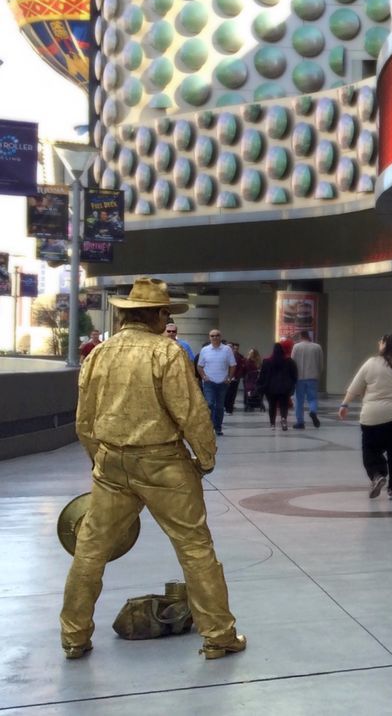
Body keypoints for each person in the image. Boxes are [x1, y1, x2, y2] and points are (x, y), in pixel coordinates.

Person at [61, 277, 245, 661]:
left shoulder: (99, 353)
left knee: (90, 551)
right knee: (195, 548)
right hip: (163, 465)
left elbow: (84, 420)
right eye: (166, 312)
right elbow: (191, 413)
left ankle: (74, 637)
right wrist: (205, 458)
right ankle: (219, 636)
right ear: (157, 314)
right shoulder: (167, 353)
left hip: (111, 464)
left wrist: (100, 458)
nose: (168, 318)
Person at [338, 333, 392, 500]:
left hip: (373, 416)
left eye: (381, 342)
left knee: (370, 449)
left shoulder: (371, 363)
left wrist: (345, 404)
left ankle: (377, 474)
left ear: (384, 345)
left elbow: (355, 386)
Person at [197, 330, 237, 436]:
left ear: (220, 337)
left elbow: (233, 365)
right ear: (209, 337)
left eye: (217, 335)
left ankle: (218, 427)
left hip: (222, 383)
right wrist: (204, 377)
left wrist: (229, 378)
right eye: (212, 336)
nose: (215, 337)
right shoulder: (205, 350)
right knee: (209, 403)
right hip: (209, 382)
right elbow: (199, 366)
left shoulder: (227, 349)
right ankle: (209, 427)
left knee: (219, 406)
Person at [257, 343, 297, 430]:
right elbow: (294, 374)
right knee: (283, 405)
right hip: (284, 388)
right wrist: (292, 384)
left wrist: (260, 385)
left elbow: (262, 375)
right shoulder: (289, 361)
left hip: (270, 388)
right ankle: (283, 418)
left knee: (272, 406)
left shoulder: (267, 361)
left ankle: (272, 424)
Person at [291, 331, 324, 429]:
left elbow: (292, 362)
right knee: (313, 398)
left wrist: (292, 375)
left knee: (299, 400)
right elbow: (321, 363)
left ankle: (300, 422)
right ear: (309, 336)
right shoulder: (317, 347)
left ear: (301, 336)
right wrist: (318, 373)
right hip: (313, 377)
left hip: (299, 378)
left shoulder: (296, 347)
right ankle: (313, 411)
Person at [223, 342, 247, 415]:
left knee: (230, 394)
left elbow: (239, 368)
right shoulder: (226, 356)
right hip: (226, 378)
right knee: (227, 394)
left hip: (233, 379)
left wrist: (235, 377)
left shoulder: (236, 356)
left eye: (230, 347)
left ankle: (229, 409)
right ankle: (227, 408)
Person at [241, 347, 262, 411]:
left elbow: (260, 369)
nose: (249, 353)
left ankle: (252, 404)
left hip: (255, 378)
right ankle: (249, 404)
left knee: (253, 391)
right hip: (248, 378)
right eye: (249, 352)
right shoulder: (246, 360)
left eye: (251, 352)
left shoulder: (257, 361)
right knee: (248, 391)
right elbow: (244, 370)